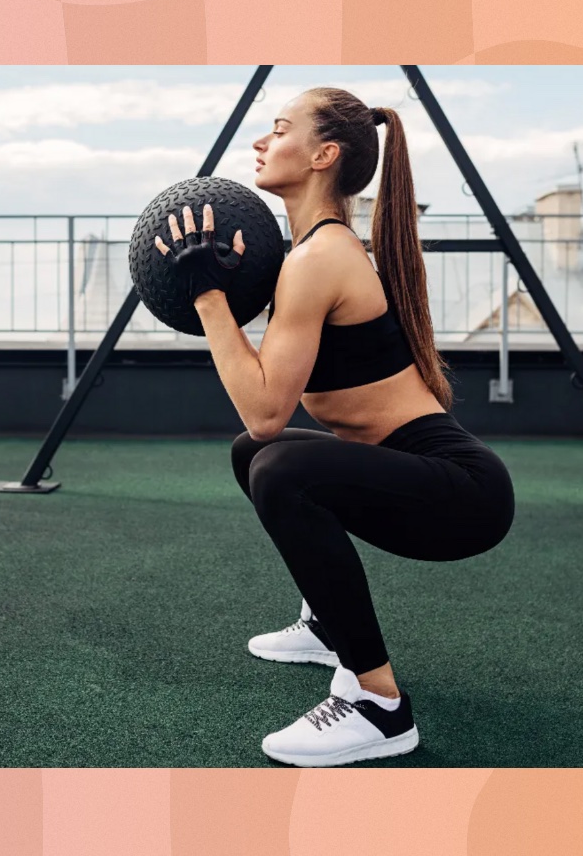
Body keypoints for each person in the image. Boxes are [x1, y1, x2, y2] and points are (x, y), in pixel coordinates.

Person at [153, 87, 515, 767]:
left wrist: (205, 295)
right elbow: (259, 415)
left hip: (463, 494)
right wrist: (220, 288)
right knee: (252, 456)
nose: (263, 141)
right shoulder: (312, 253)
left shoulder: (320, 257)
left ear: (324, 154)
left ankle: (379, 705)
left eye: (280, 128)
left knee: (280, 464)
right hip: (431, 480)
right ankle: (326, 623)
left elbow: (265, 409)